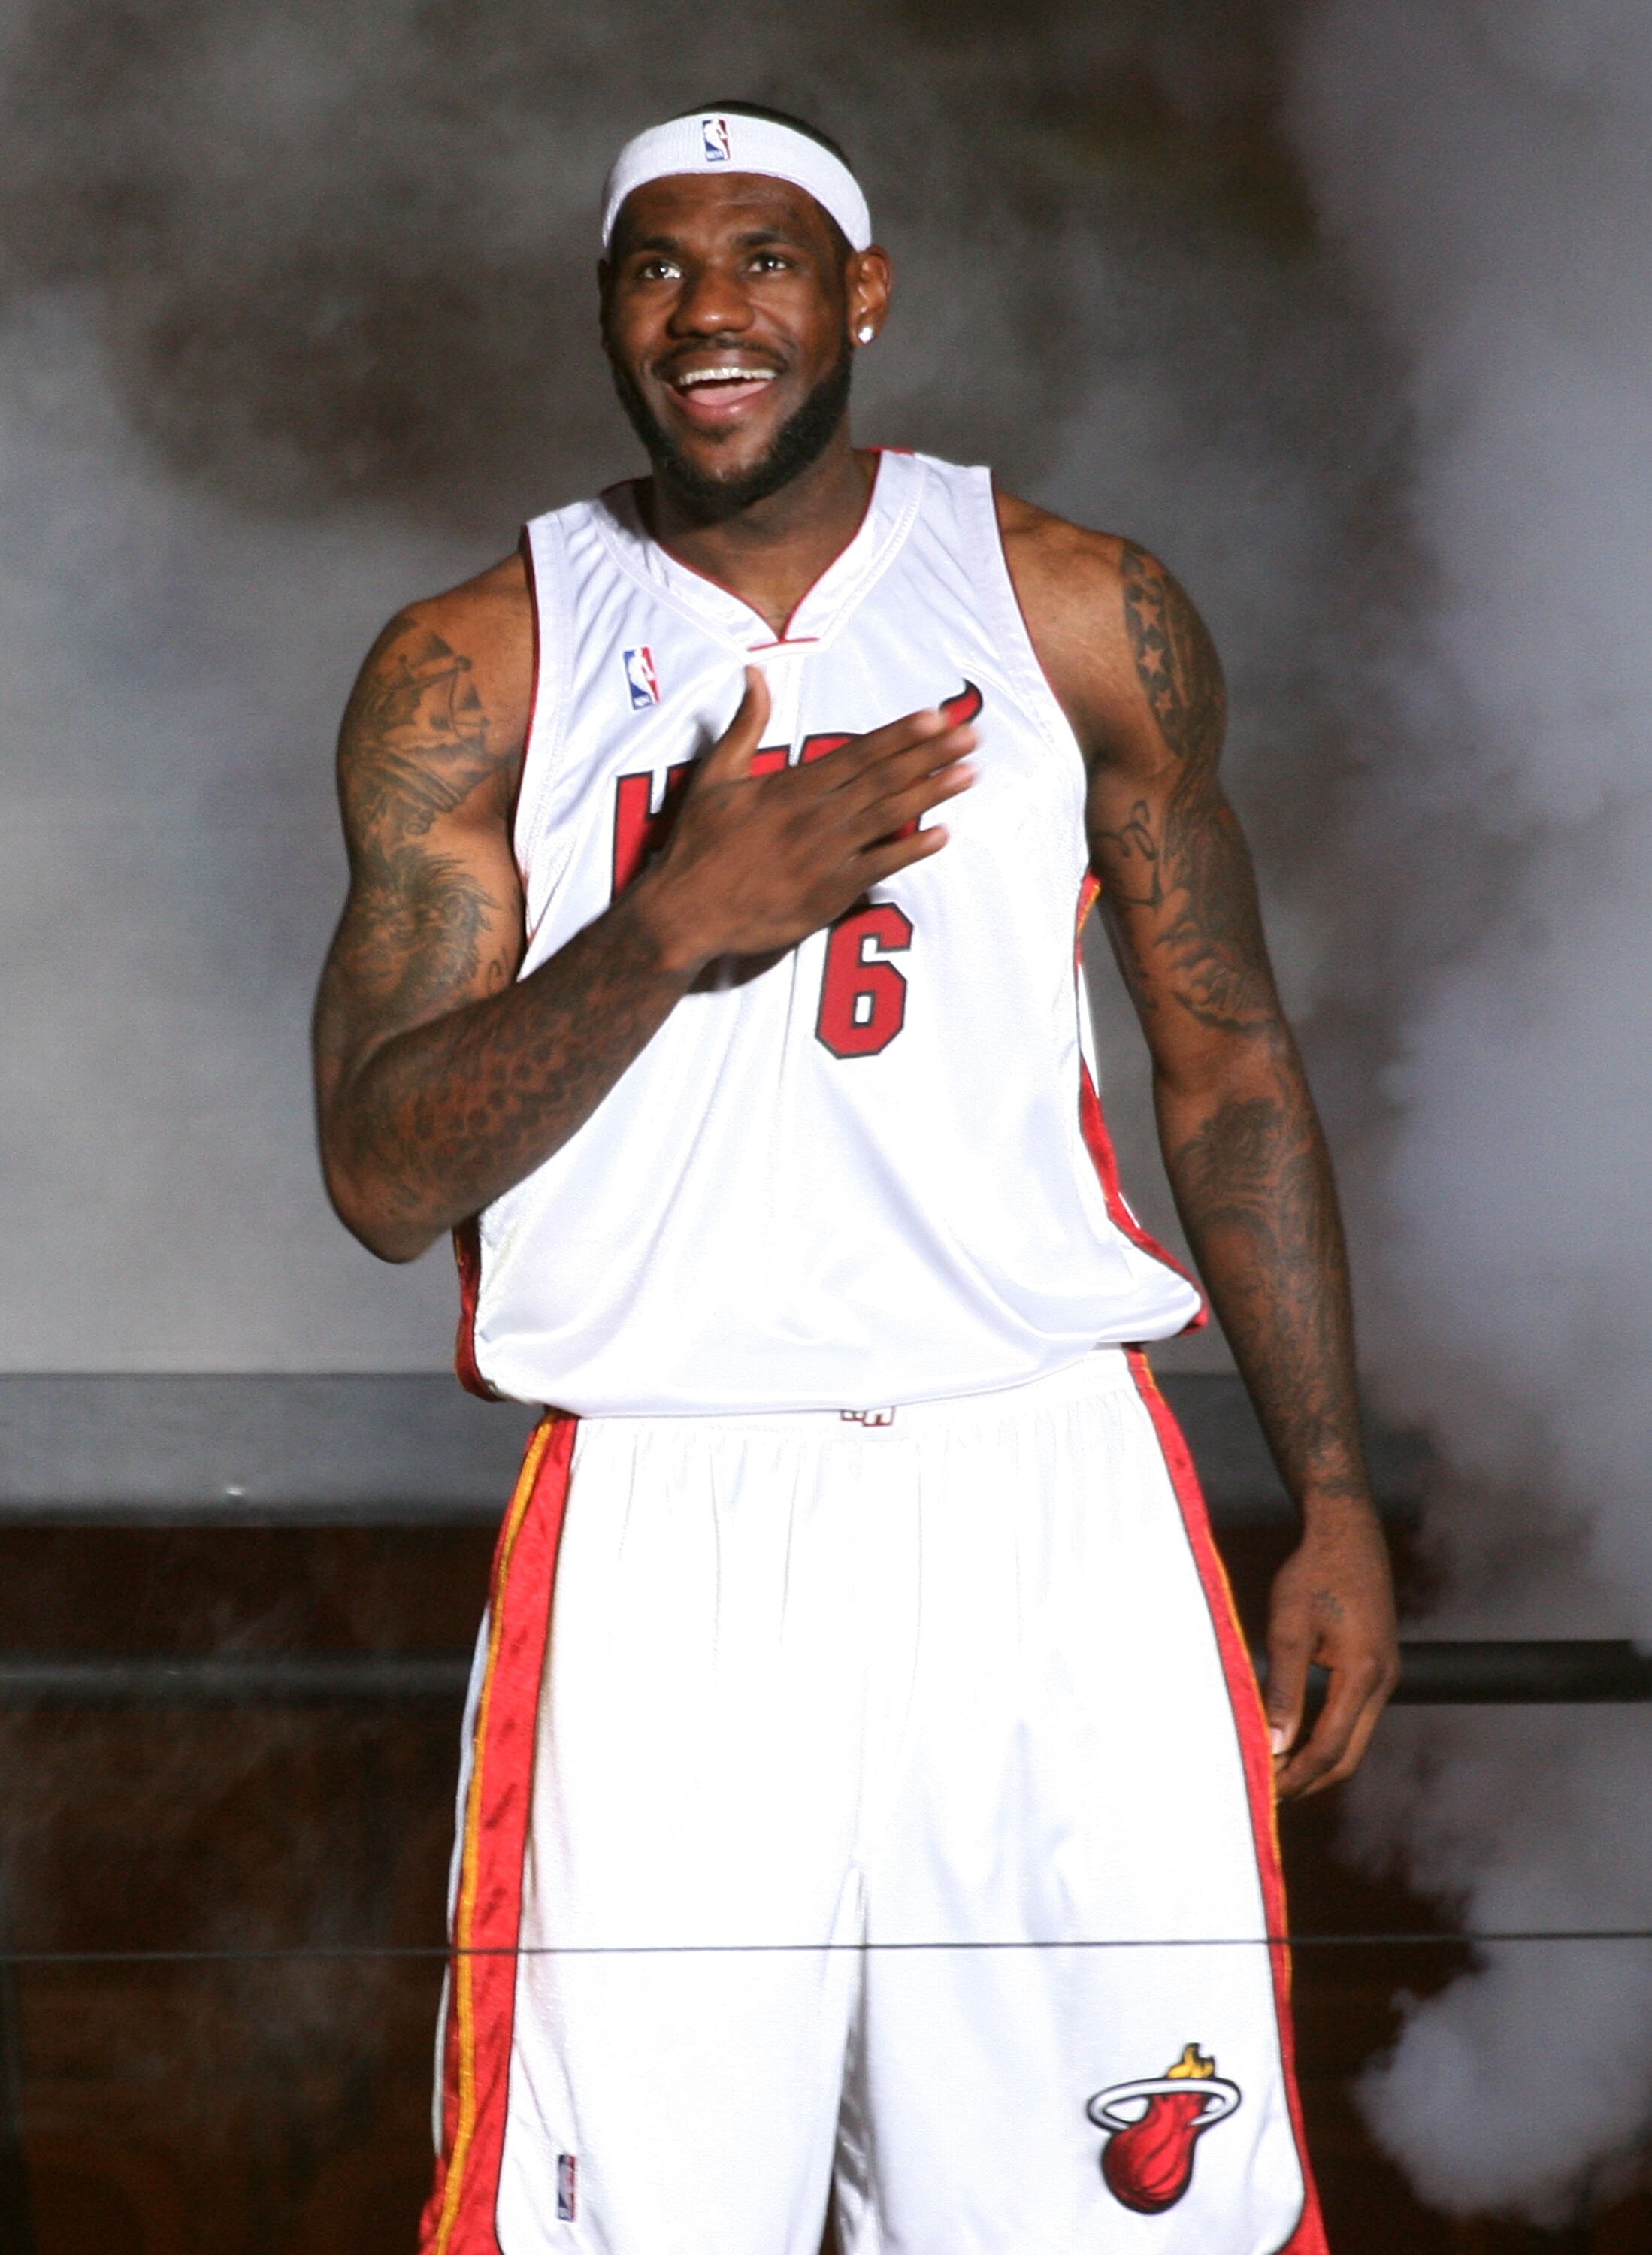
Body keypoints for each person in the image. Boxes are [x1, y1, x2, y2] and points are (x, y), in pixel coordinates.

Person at [313, 101, 1396, 2255]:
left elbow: (1229, 1065)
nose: (708, 312)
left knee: (1115, 2211)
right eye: (657, 268)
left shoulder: (1073, 606)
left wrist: (1336, 1494)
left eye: (766, 260)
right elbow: (378, 1175)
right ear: (608, 312)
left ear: (863, 295)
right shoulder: (483, 661)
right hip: (670, 1510)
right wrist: (667, 927)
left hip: (1045, 1493)